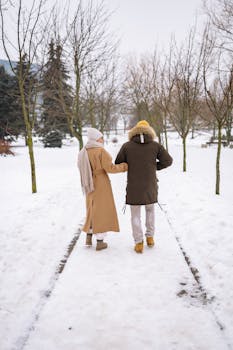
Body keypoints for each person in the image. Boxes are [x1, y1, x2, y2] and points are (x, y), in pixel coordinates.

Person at [115, 120, 173, 253]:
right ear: (149, 131)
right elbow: (168, 161)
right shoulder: (155, 145)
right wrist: (154, 167)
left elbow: (119, 162)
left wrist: (132, 165)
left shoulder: (127, 146)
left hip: (134, 185)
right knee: (150, 211)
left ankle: (138, 242)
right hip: (150, 185)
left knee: (135, 215)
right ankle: (150, 237)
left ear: (135, 131)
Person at [78, 128, 128, 251]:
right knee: (102, 210)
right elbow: (110, 168)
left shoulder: (83, 151)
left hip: (88, 183)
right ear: (96, 138)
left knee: (91, 208)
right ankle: (100, 241)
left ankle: (88, 237)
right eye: (100, 137)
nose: (102, 139)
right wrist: (124, 166)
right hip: (100, 183)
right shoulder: (100, 151)